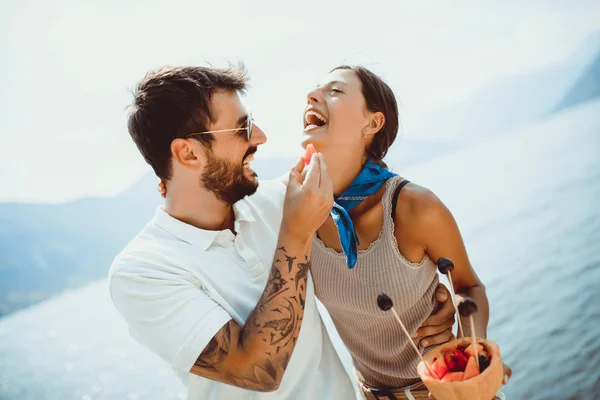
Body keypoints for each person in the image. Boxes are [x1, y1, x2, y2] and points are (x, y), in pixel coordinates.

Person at [108, 65, 356, 399]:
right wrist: (295, 235)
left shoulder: (282, 201)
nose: (260, 137)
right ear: (188, 153)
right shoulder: (142, 272)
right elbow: (258, 371)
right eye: (243, 128)